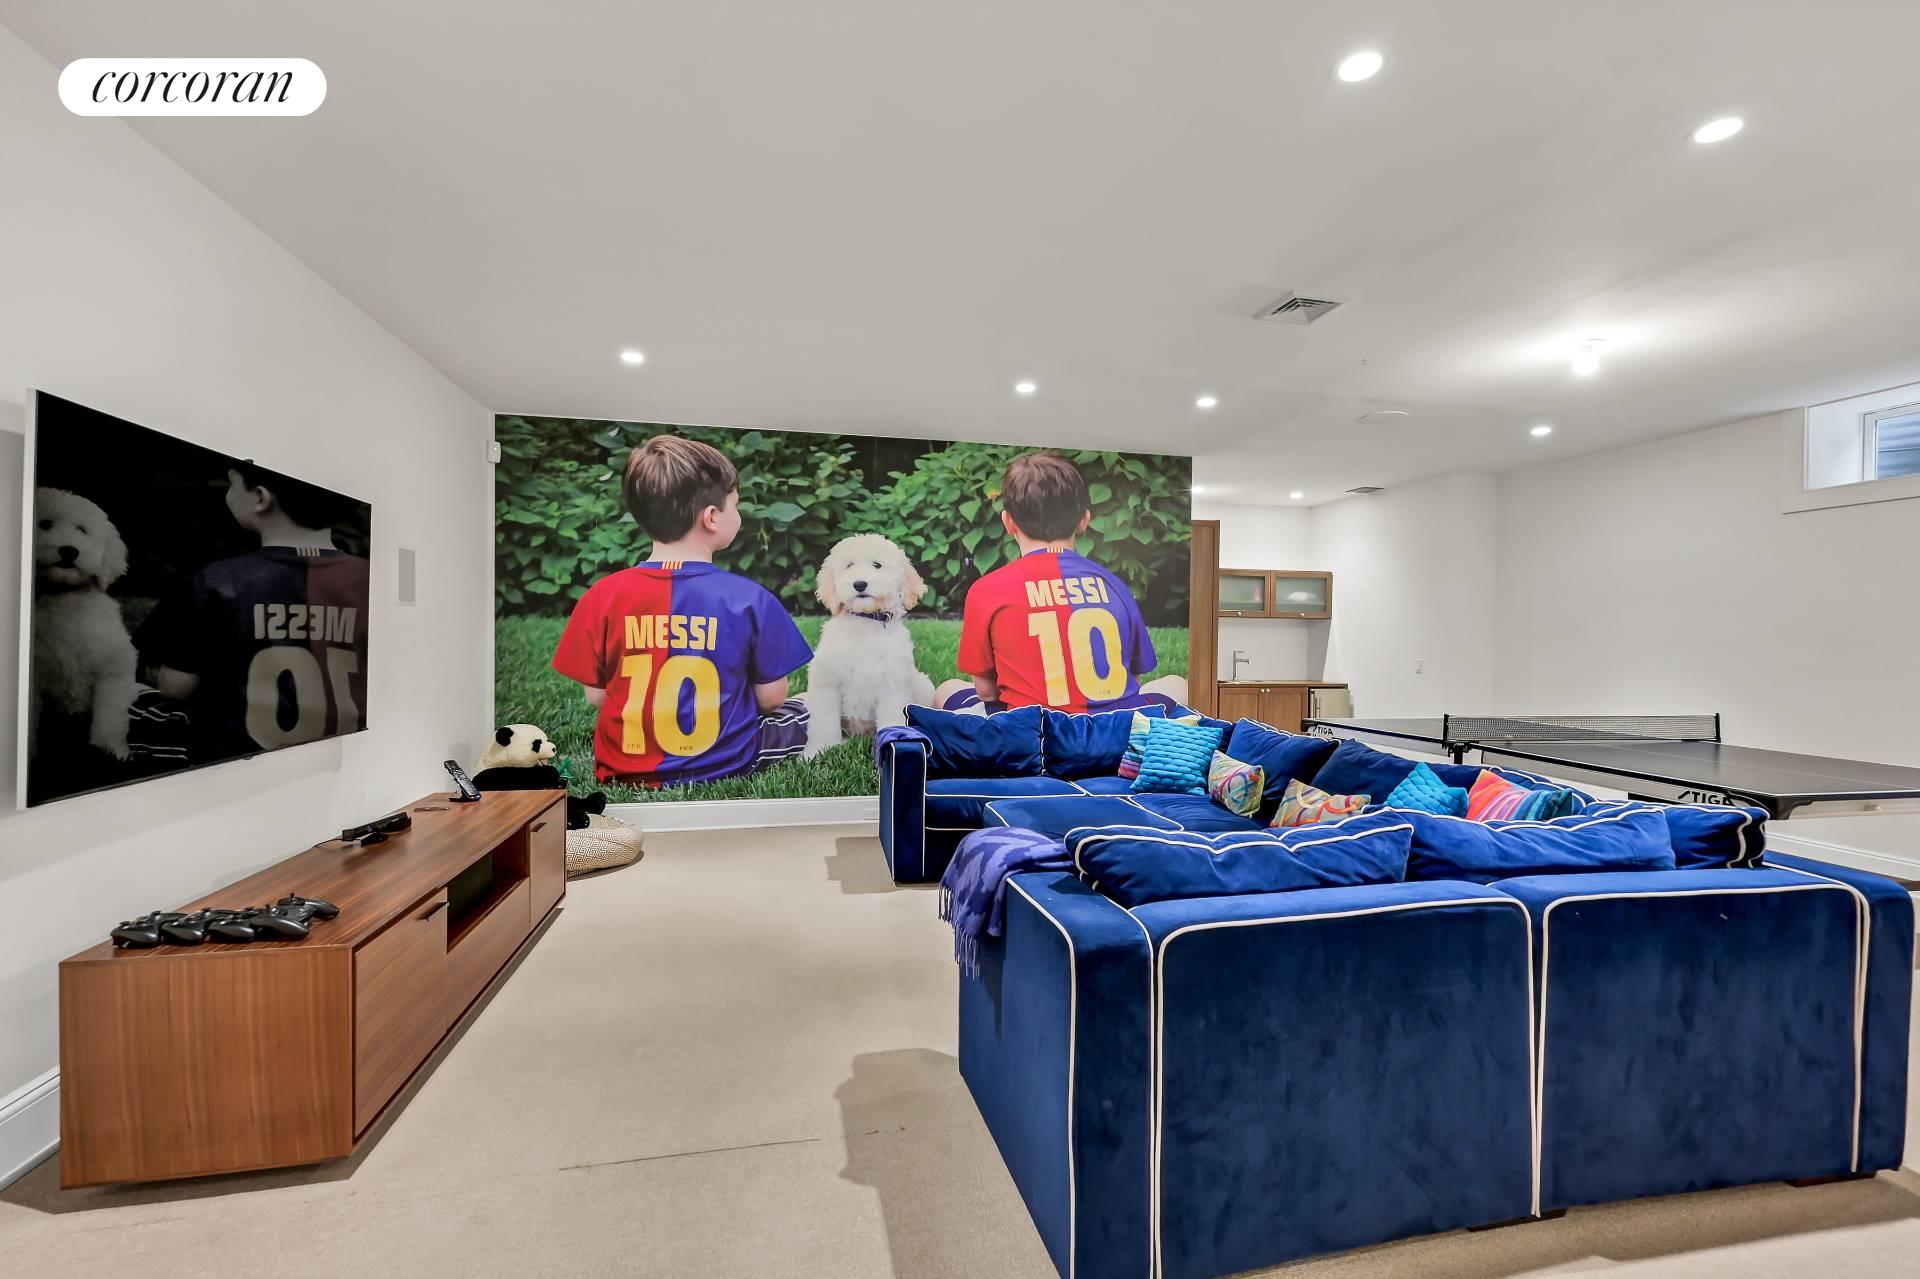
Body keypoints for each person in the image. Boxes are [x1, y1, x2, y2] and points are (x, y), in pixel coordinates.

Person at [552, 435, 812, 787]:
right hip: (725, 762)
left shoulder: (600, 596)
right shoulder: (750, 598)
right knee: (808, 710)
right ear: (711, 518)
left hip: (621, 768)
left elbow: (597, 696)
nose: (738, 514)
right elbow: (771, 699)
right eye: (735, 505)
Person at [146, 463, 371, 761]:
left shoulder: (219, 580)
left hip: (235, 762)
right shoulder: (369, 578)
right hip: (341, 757)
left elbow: (175, 687)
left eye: (233, 484)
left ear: (261, 498)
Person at [939, 451, 1186, 715]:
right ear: (1084, 520)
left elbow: (986, 692)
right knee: (1176, 683)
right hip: (1113, 727)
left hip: (1030, 731)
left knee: (948, 688)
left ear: (1008, 522)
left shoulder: (986, 590)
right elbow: (1134, 679)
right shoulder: (1114, 584)